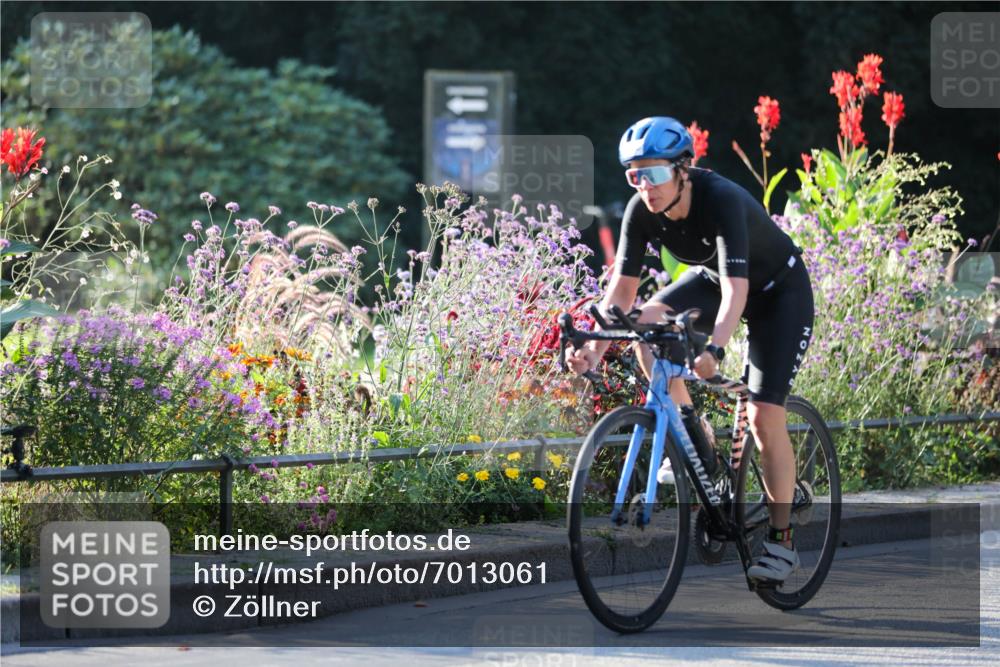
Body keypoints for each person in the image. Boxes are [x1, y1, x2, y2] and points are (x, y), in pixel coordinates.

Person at [564, 116, 815, 584]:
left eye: (654, 173)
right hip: (714, 281)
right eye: (634, 175)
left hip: (778, 293)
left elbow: (737, 295)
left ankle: (781, 541)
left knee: (763, 415)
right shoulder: (642, 211)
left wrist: (715, 349)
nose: (645, 186)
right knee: (645, 327)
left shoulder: (719, 200)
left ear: (683, 168)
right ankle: (697, 441)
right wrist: (593, 347)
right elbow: (620, 293)